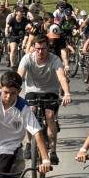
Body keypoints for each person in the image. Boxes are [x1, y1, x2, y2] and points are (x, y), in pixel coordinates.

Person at [17, 36, 72, 164]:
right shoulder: (27, 59)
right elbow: (19, 76)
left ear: (48, 48)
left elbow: (62, 78)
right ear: (33, 48)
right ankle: (29, 143)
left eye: (43, 49)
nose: (40, 52)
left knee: (50, 116)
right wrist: (14, 91)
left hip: (50, 92)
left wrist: (67, 93)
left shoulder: (55, 59)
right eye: (38, 49)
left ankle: (53, 151)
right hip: (32, 91)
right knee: (30, 112)